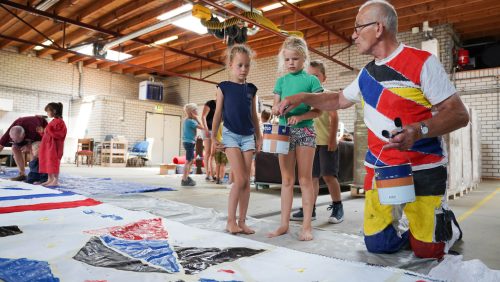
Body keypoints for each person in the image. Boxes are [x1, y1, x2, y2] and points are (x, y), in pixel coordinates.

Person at [278, 0, 469, 258]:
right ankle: (411, 227)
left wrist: (418, 130)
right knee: (379, 245)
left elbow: (459, 114)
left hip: (424, 165)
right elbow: (337, 100)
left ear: (378, 28)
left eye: (358, 28)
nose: (354, 35)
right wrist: (303, 97)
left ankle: (445, 225)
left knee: (428, 250)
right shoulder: (365, 75)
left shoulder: (422, 62)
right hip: (383, 167)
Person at [268, 36, 323, 241]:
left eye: (295, 59)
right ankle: (284, 224)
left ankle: (307, 226)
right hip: (284, 132)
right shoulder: (281, 81)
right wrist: (276, 108)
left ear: (304, 59)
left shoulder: (311, 80)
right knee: (287, 179)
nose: (291, 63)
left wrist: (301, 116)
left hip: (305, 132)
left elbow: (319, 111)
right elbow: (275, 106)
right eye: (288, 59)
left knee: (305, 179)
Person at [211, 44, 262, 235]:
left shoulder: (251, 89)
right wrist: (213, 135)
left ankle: (242, 221)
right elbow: (217, 114)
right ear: (231, 65)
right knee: (240, 179)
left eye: (247, 66)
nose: (243, 69)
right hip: (230, 136)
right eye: (239, 65)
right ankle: (230, 221)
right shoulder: (223, 87)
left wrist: (259, 137)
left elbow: (254, 115)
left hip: (248, 136)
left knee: (247, 181)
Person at [291, 60, 344, 224]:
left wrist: (333, 139)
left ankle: (337, 206)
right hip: (309, 143)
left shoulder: (327, 95)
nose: (312, 79)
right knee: (311, 177)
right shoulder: (305, 98)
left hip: (326, 142)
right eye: (309, 76)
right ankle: (310, 209)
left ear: (323, 78)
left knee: (329, 175)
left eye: (316, 75)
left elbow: (334, 117)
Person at [0, 115, 47, 181]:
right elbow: (0, 146)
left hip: (41, 133)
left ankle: (34, 173)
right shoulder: (9, 134)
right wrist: (18, 143)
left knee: (34, 148)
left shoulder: (34, 129)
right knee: (14, 147)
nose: (17, 142)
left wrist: (29, 146)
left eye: (19, 140)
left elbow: (46, 141)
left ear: (24, 135)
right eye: (14, 140)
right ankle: (22, 174)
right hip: (25, 134)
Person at [39, 103, 67, 186]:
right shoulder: (54, 121)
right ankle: (49, 179)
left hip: (54, 147)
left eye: (48, 111)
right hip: (48, 146)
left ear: (54, 111)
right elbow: (48, 133)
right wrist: (42, 132)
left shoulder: (60, 122)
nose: (47, 113)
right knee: (48, 161)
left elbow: (60, 135)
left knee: (54, 162)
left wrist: (48, 130)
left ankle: (55, 180)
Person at [181, 103, 204, 186]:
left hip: (189, 142)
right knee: (188, 161)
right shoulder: (190, 121)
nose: (197, 111)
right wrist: (197, 118)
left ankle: (186, 177)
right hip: (189, 143)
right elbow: (202, 127)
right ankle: (184, 179)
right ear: (192, 111)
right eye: (196, 110)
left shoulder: (188, 120)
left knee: (190, 161)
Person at [202, 98, 216, 181]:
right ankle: (207, 174)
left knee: (213, 153)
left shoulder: (223, 105)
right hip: (208, 129)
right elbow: (203, 117)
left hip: (215, 130)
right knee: (208, 152)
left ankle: (213, 173)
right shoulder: (210, 103)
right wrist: (206, 129)